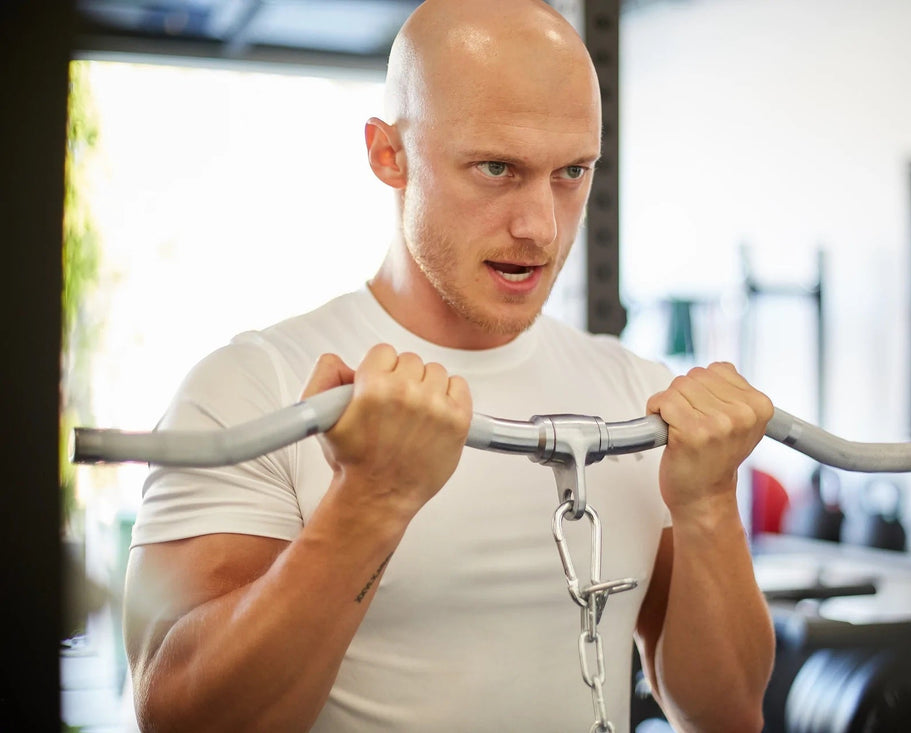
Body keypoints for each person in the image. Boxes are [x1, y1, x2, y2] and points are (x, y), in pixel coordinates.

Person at [122, 1, 776, 731]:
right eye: (497, 167)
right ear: (387, 155)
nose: (541, 226)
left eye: (572, 171)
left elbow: (728, 715)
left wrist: (710, 501)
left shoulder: (636, 394)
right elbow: (179, 719)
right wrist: (368, 505)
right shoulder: (251, 390)